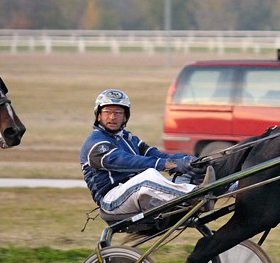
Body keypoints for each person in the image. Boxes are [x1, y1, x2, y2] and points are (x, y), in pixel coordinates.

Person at [80, 89, 204, 220]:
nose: (112, 117)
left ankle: (224, 188)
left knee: (192, 171)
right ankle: (196, 195)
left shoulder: (128, 138)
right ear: (98, 115)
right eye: (107, 112)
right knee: (149, 176)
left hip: (137, 193)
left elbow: (156, 154)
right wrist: (165, 165)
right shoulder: (94, 142)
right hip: (111, 200)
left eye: (118, 112)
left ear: (125, 116)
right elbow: (124, 161)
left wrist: (191, 161)